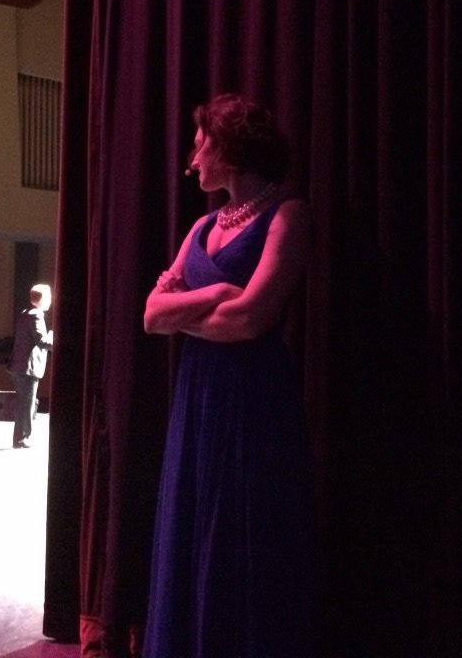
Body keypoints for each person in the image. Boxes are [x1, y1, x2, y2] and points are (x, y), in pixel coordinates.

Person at [142, 93, 316, 658]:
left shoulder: (287, 215)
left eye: (200, 147)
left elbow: (251, 320)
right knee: (194, 523)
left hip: (254, 399)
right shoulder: (199, 228)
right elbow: (150, 315)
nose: (192, 161)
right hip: (198, 394)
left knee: (243, 531)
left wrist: (186, 312)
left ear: (231, 150)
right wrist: (215, 292)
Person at [8, 283, 53, 449]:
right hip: (28, 366)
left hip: (19, 365)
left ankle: (21, 436)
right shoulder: (36, 315)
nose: (51, 301)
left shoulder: (26, 313)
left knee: (25, 402)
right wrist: (54, 336)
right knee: (26, 404)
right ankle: (22, 438)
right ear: (42, 299)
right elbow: (41, 341)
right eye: (49, 297)